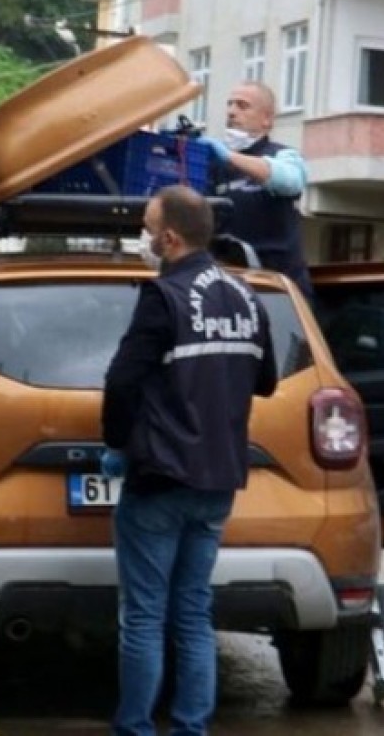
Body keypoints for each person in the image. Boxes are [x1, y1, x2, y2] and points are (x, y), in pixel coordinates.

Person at [101, 185, 278, 736]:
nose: (144, 237)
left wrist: (117, 445)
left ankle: (135, 728)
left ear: (171, 238)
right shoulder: (246, 295)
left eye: (147, 226)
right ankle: (190, 728)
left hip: (160, 477)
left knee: (144, 616)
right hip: (218, 480)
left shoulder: (164, 296)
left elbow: (122, 381)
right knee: (194, 613)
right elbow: (267, 380)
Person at [202, 81, 313, 300]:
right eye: (230, 104)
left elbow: (291, 181)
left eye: (242, 106)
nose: (231, 112)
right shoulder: (214, 164)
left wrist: (230, 157)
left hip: (277, 289)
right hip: (228, 284)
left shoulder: (282, 155)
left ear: (267, 119)